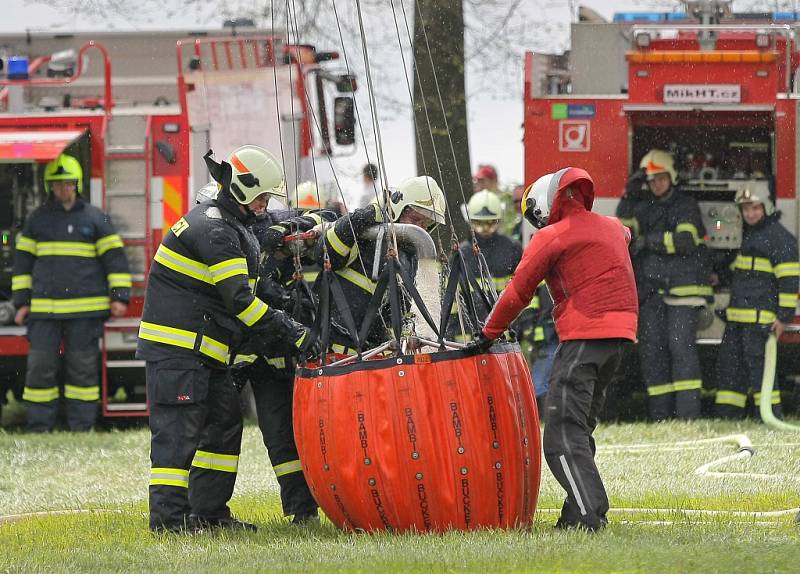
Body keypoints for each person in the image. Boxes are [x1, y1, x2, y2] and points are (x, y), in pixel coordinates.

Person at [137, 145, 311, 534]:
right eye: (263, 197)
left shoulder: (229, 226)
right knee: (177, 437)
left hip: (203, 354)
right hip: (179, 352)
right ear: (244, 191)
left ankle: (210, 515)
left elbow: (252, 289)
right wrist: (296, 334)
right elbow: (241, 303)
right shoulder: (215, 229)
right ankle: (167, 523)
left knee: (224, 423)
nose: (266, 206)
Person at [470, 167, 638, 531]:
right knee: (579, 429)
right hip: (620, 337)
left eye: (536, 215)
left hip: (585, 335)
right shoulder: (611, 226)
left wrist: (488, 333)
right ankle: (575, 514)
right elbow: (624, 234)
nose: (536, 223)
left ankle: (590, 515)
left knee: (561, 435)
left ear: (546, 204)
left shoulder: (551, 237)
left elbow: (518, 291)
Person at [12, 153, 130, 433]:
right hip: (44, 312)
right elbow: (23, 264)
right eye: (57, 184)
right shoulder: (37, 220)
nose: (63, 188)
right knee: (40, 369)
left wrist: (120, 296)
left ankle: (82, 426)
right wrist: (21, 303)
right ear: (49, 187)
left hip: (85, 312)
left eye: (68, 183)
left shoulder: (95, 219)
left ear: (76, 184)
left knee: (83, 370)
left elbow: (115, 259)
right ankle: (39, 426)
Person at [236, 205, 338, 525]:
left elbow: (330, 215)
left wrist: (296, 226)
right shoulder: (225, 233)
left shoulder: (276, 220)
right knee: (264, 436)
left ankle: (316, 507)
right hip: (247, 355)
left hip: (288, 353)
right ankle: (301, 510)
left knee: (299, 434)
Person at [621, 149, 711, 421]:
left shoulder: (685, 205)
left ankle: (687, 416)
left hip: (683, 293)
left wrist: (651, 241)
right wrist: (629, 194)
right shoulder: (641, 207)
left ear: (671, 177)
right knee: (652, 353)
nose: (656, 184)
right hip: (652, 292)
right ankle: (660, 416)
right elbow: (622, 234)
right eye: (651, 180)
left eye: (660, 178)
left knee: (680, 349)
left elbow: (684, 242)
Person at [319, 175, 446, 351]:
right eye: (416, 220)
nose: (420, 229)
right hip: (333, 350)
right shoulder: (365, 234)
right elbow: (325, 253)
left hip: (369, 353)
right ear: (397, 209)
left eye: (427, 223)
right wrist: (363, 217)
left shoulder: (408, 258)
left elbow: (392, 311)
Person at [715, 186, 799, 418]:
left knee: (760, 372)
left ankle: (770, 416)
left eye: (755, 208)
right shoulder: (753, 234)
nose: (750, 214)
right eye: (745, 209)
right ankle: (728, 417)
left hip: (760, 321)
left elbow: (790, 281)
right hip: (738, 319)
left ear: (766, 207)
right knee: (731, 370)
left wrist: (783, 318)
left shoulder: (778, 238)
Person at [449, 190, 520, 340]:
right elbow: (453, 301)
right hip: (469, 337)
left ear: (498, 220)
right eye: (479, 223)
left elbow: (522, 291)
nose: (485, 229)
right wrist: (451, 335)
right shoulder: (460, 254)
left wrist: (523, 328)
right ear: (470, 221)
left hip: (505, 335)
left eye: (490, 223)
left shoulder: (512, 248)